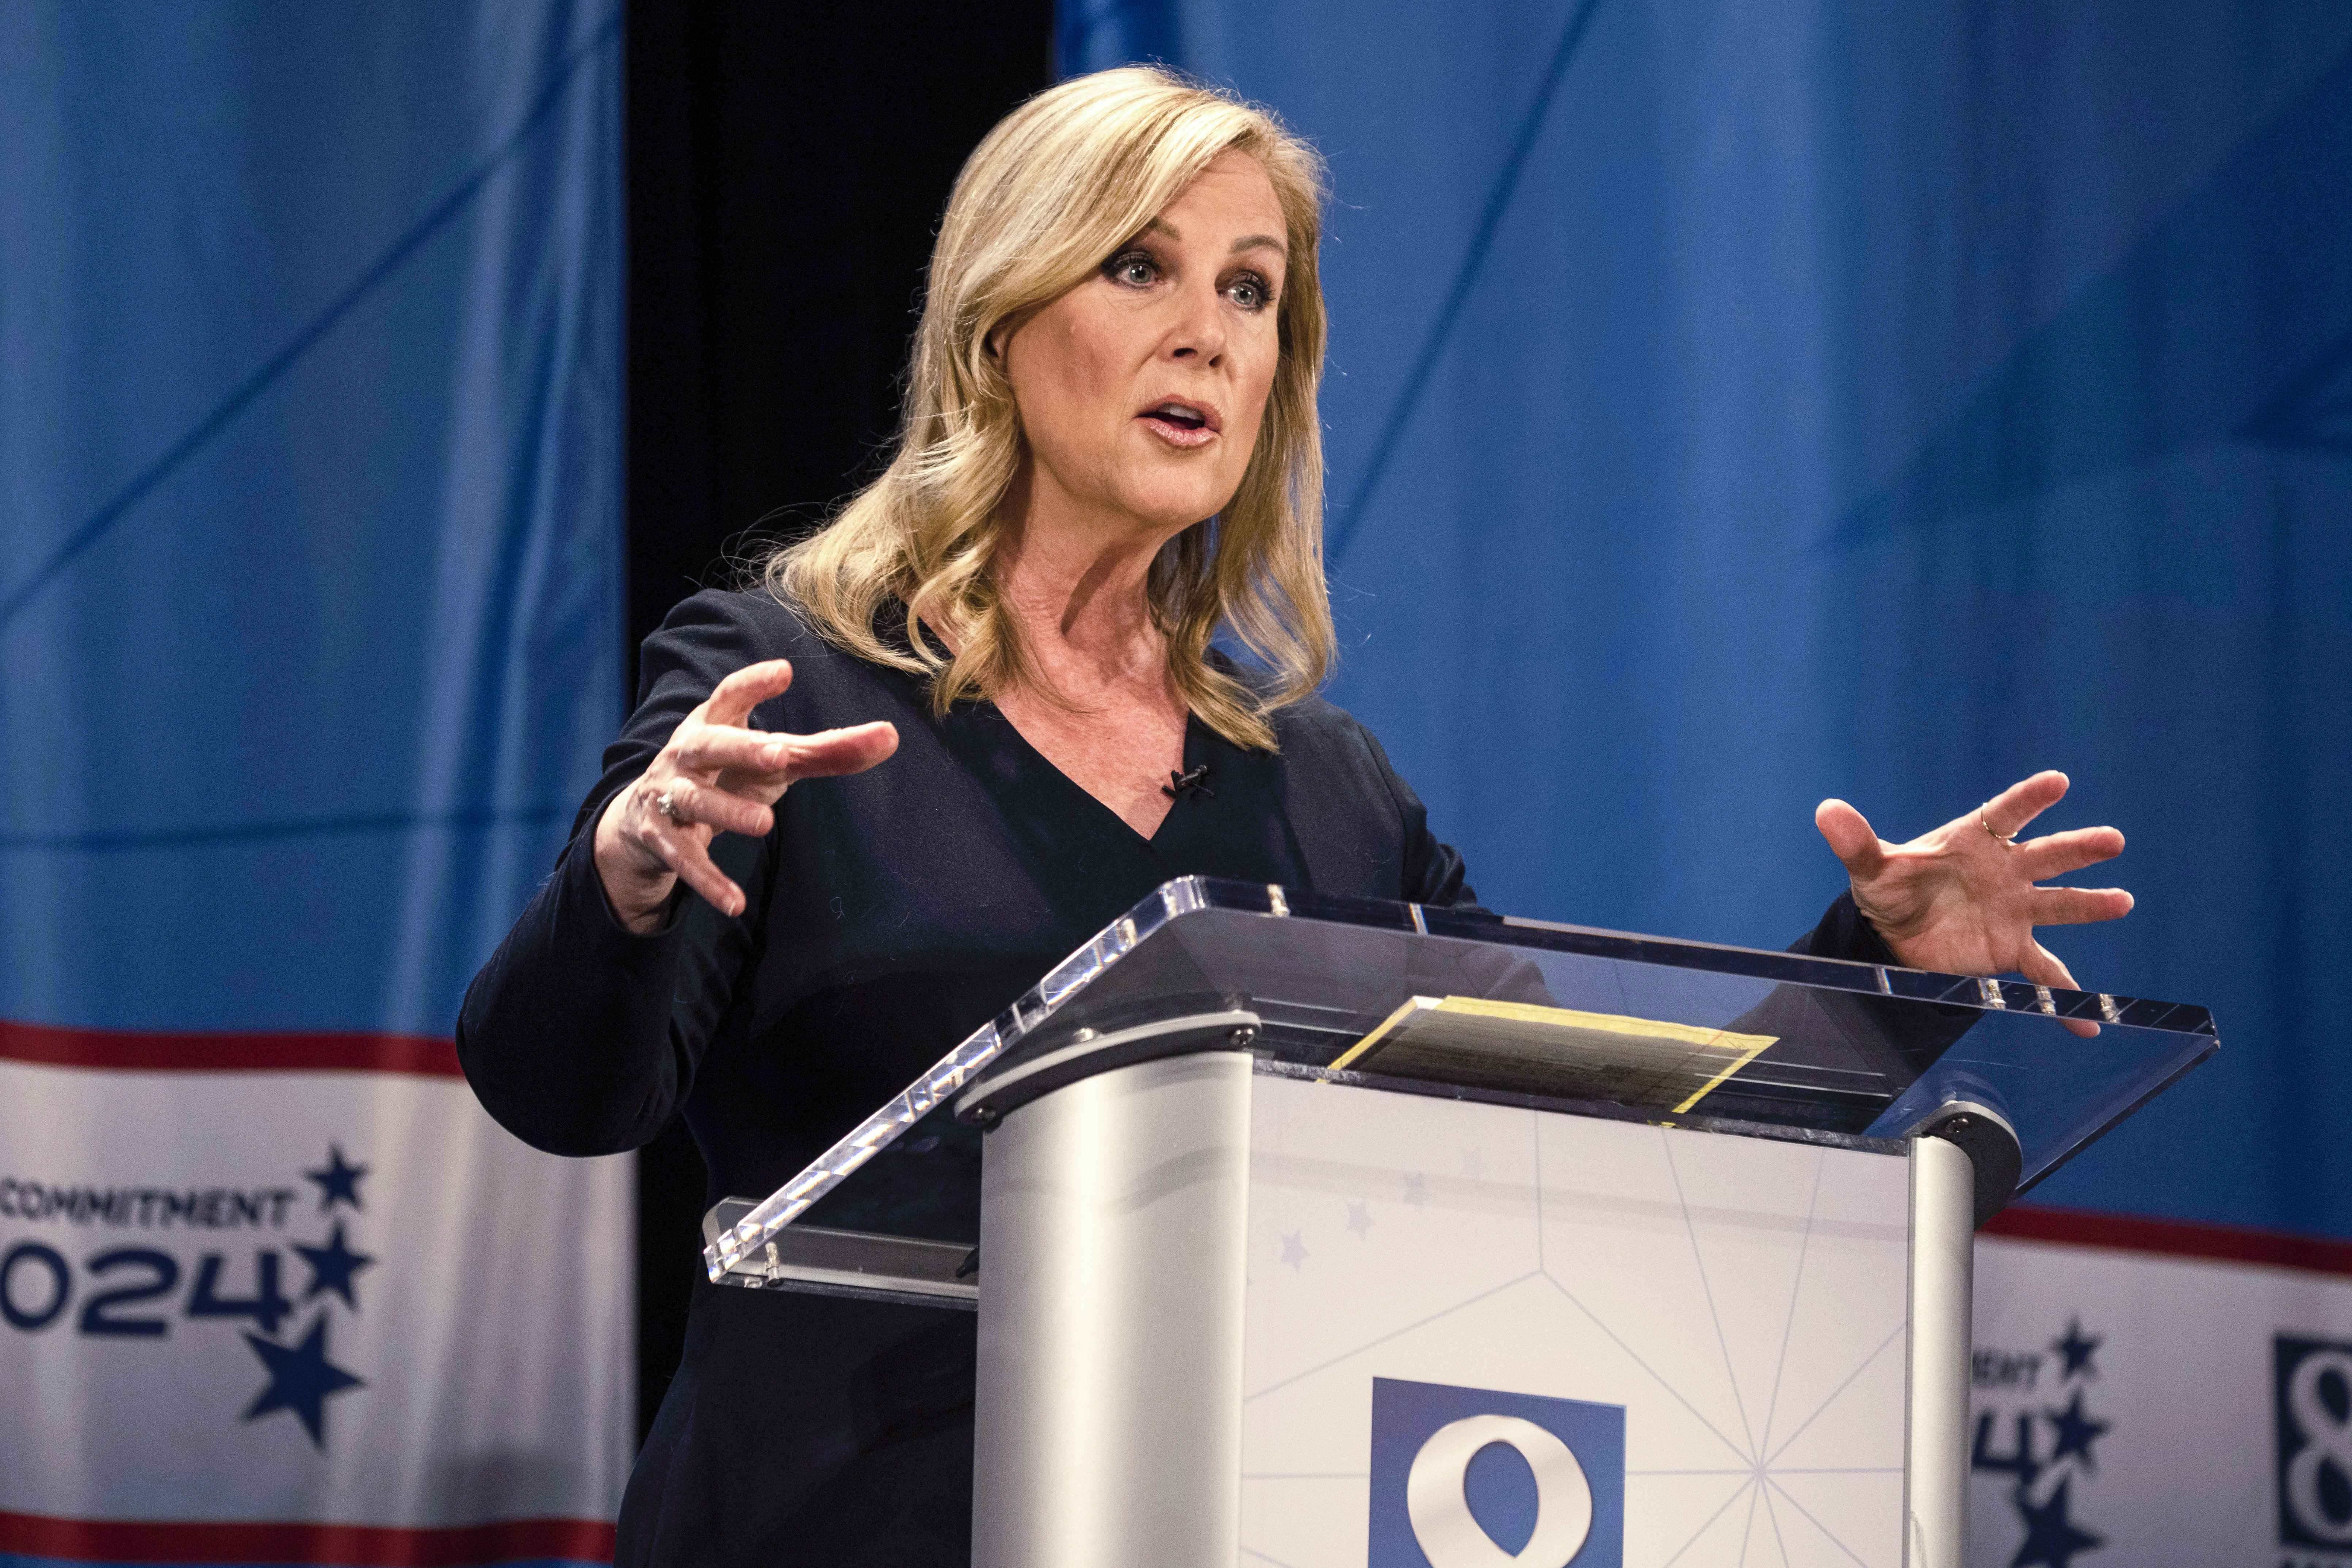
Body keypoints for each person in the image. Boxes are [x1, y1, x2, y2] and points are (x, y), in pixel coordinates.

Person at [456, 65, 2132, 1567]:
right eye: (1142, 267)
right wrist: (629, 881)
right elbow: (564, 1093)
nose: (1209, 332)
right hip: (835, 1523)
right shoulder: (787, 686)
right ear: (998, 321)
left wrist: (1879, 976)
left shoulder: (1326, 794)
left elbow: (1596, 1185)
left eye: (1251, 292)